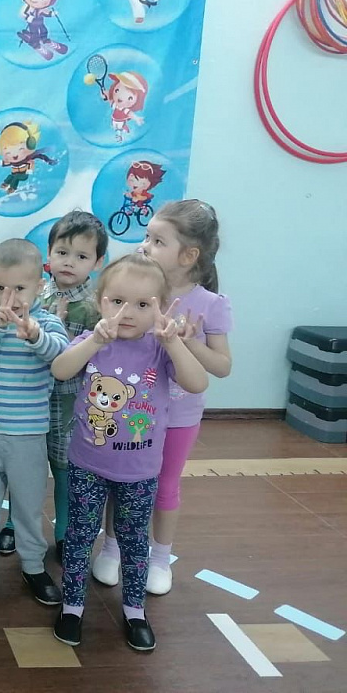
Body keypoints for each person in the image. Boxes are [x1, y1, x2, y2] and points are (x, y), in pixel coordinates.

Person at [51, 253, 207, 651]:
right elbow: (60, 370)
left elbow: (197, 382)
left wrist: (173, 342)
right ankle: (72, 607)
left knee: (135, 540)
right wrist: (94, 341)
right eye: (118, 301)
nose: (128, 313)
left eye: (142, 304)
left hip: (140, 470)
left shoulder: (160, 348)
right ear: (100, 301)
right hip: (87, 464)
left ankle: (135, 610)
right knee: (80, 536)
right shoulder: (94, 340)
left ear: (160, 308)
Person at [92, 201, 231, 596]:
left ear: (188, 256)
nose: (144, 245)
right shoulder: (136, 291)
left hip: (179, 416)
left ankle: (160, 559)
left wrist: (188, 342)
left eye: (157, 241)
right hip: (132, 411)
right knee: (121, 480)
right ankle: (111, 548)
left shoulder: (210, 304)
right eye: (147, 237)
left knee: (165, 486)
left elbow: (222, 366)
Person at [0, 239, 68, 608]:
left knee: (27, 505)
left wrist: (35, 335)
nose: (9, 297)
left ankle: (33, 566)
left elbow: (60, 359)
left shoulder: (49, 323)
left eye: (20, 288)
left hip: (29, 437)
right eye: (0, 288)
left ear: (40, 286)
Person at [38, 211, 107, 561]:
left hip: (70, 406)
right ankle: (13, 526)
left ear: (97, 262)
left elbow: (97, 359)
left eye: (81, 256)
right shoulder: (36, 295)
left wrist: (62, 334)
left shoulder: (95, 307)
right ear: (49, 253)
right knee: (25, 467)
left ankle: (64, 532)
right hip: (30, 398)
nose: (69, 262)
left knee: (64, 470)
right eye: (62, 252)